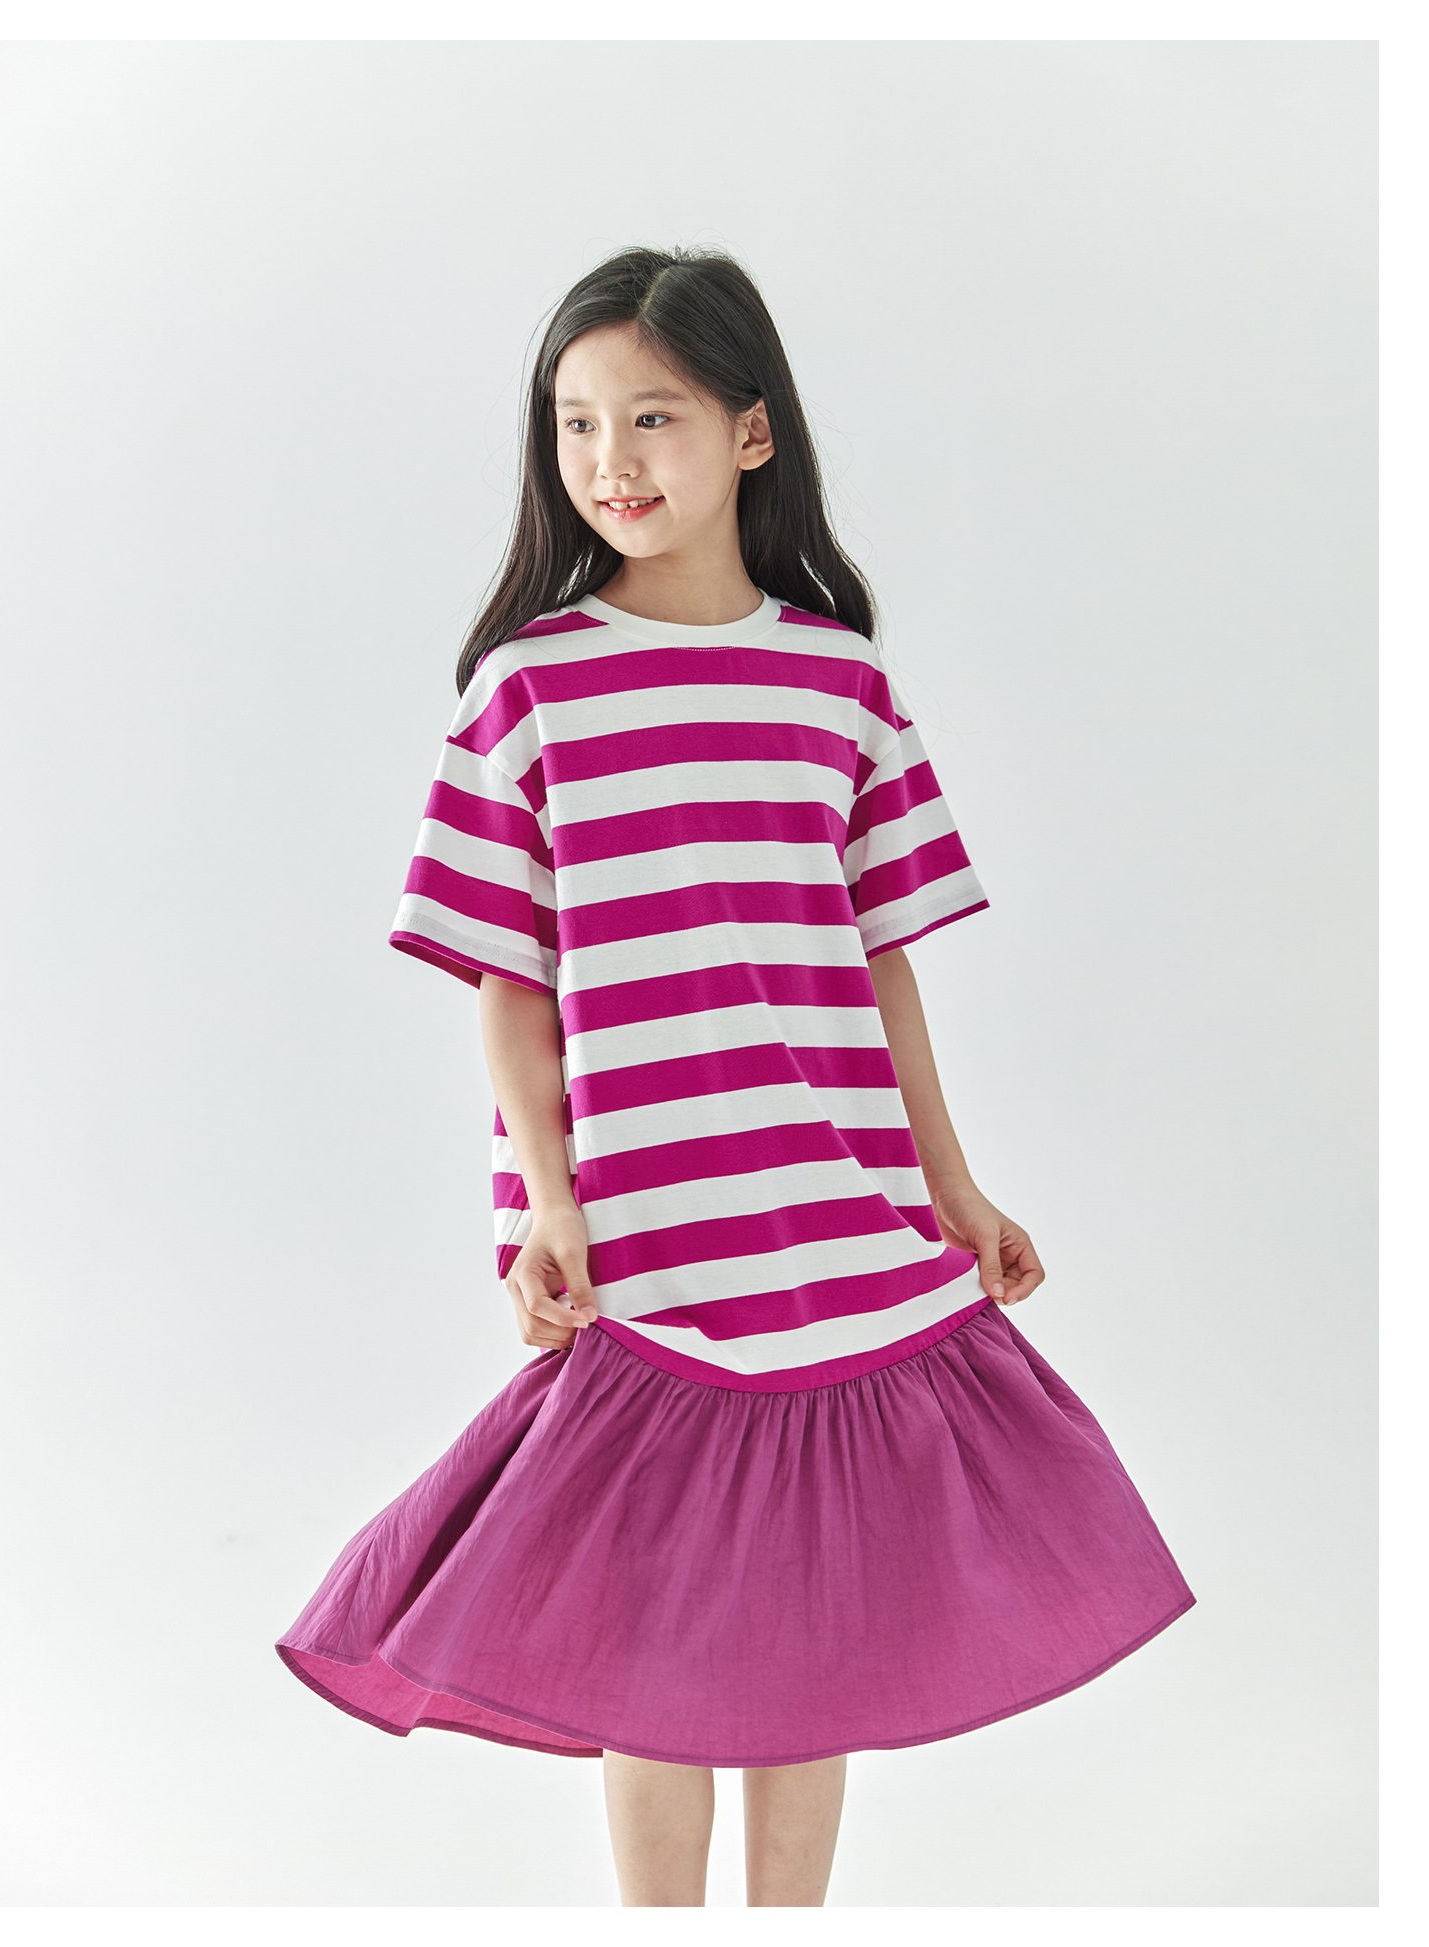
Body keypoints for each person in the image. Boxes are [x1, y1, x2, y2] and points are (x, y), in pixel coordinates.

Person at [275, 244, 1196, 1907]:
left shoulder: (840, 681)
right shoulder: (528, 692)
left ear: (751, 432)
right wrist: (550, 1204)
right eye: (575, 424)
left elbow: (883, 963)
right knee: (652, 1632)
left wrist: (954, 1185)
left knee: (808, 1630)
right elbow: (510, 984)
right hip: (642, 1226)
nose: (610, 461)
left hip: (836, 1214)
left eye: (655, 417)